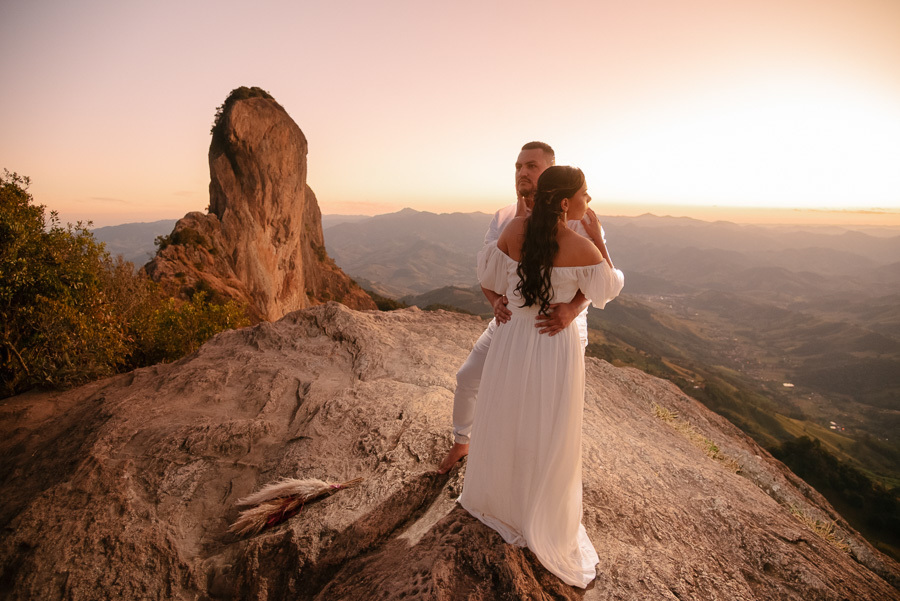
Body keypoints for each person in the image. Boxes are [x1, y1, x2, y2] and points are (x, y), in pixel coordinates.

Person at [458, 166, 624, 587]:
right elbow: (610, 285)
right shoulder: (581, 245)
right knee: (547, 426)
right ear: (566, 202)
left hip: (512, 338)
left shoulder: (515, 229)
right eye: (585, 194)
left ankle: (499, 499)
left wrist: (498, 301)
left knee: (507, 415)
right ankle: (536, 507)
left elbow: (487, 274)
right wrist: (600, 239)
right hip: (552, 346)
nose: (591, 200)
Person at [437, 142, 605, 474]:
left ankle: (535, 471)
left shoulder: (576, 217)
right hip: (512, 321)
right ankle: (462, 442)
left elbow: (597, 280)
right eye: (518, 167)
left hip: (558, 327)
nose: (522, 173)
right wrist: (494, 301)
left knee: (543, 405)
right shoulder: (503, 218)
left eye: (531, 166)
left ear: (550, 174)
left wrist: (572, 310)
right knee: (469, 377)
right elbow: (489, 269)